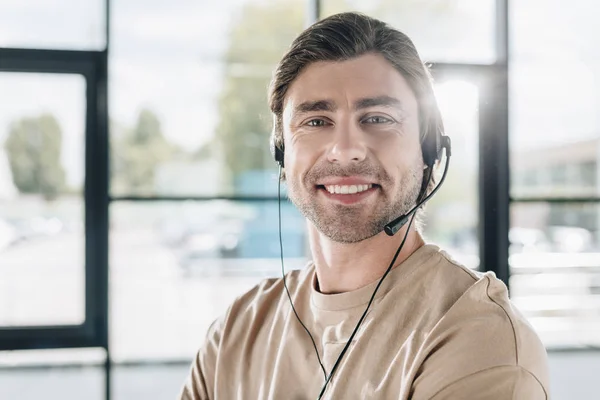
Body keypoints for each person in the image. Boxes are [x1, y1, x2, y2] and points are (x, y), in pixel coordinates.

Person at [179, 11, 550, 400]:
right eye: (317, 121)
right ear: (282, 153)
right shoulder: (237, 330)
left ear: (428, 152)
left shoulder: (479, 338)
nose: (346, 150)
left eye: (377, 117)